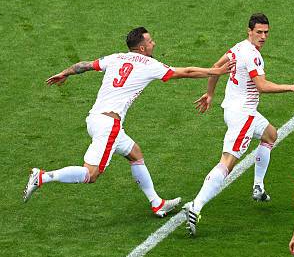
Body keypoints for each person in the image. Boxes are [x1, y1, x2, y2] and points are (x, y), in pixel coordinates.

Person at [23, 27, 233, 217]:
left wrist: (64, 73)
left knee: (135, 153)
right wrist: (215, 71)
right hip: (109, 125)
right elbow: (185, 72)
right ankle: (42, 176)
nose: (154, 44)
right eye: (150, 42)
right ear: (142, 48)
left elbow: (84, 65)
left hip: (95, 118)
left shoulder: (116, 57)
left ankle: (157, 203)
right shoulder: (149, 64)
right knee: (91, 174)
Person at [182, 13, 294, 235]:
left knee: (270, 134)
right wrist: (290, 87)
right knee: (227, 162)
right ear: (249, 31)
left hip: (234, 110)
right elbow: (261, 85)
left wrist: (210, 93)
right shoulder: (252, 56)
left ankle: (258, 186)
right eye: (259, 32)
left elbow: (216, 67)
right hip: (244, 116)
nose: (263, 36)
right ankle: (195, 205)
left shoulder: (238, 47)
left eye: (266, 32)